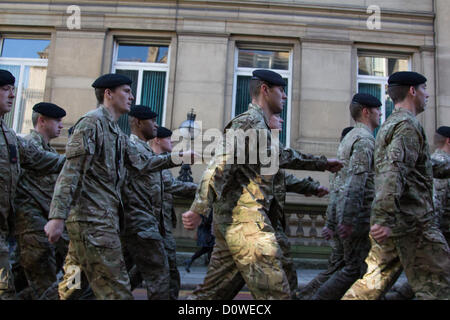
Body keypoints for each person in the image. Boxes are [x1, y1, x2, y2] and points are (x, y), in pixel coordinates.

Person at [182, 69, 343, 300]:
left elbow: (281, 159)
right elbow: (218, 166)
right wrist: (199, 208)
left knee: (210, 296)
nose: (285, 96)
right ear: (265, 90)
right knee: (276, 294)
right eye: (281, 90)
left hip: (238, 223)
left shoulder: (260, 126)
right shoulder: (247, 122)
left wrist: (322, 163)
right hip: (245, 224)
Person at [44, 73, 193, 300]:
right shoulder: (91, 123)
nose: (131, 97)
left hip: (97, 223)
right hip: (93, 223)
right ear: (108, 94)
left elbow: (143, 163)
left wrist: (178, 157)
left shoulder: (115, 132)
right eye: (126, 91)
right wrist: (56, 217)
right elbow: (71, 171)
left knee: (72, 282)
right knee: (117, 289)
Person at [342, 71, 450, 300]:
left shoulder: (392, 124)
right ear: (413, 91)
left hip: (398, 220)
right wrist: (383, 217)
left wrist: (385, 216)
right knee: (439, 285)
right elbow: (394, 171)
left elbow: (416, 165)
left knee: (371, 285)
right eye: (424, 89)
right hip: (414, 222)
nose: (427, 94)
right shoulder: (408, 125)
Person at [297, 93, 381, 300]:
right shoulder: (364, 140)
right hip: (358, 215)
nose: (381, 114)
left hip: (345, 212)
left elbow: (338, 186)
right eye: (378, 110)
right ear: (366, 112)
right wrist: (347, 219)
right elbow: (356, 182)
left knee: (345, 266)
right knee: (355, 269)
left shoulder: (349, 139)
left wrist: (334, 220)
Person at [0, 70, 66, 299]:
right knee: (40, 281)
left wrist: (78, 160)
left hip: (17, 225)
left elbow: (44, 161)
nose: (12, 95)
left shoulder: (9, 136)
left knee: (11, 284)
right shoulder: (24, 140)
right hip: (30, 224)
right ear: (42, 121)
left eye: (12, 89)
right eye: (5, 89)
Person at [121, 106, 185, 300]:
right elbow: (145, 165)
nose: (157, 125)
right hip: (138, 223)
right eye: (152, 121)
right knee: (159, 274)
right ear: (139, 123)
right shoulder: (130, 146)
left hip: (149, 224)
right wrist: (176, 158)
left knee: (125, 276)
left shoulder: (145, 150)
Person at [384, 125, 450, 300]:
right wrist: (434, 234)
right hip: (438, 231)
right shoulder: (441, 163)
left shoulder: (436, 161)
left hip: (434, 230)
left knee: (426, 275)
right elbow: (437, 201)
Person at [14, 102, 68, 300]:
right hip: (31, 225)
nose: (61, 125)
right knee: (45, 284)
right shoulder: (30, 146)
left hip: (45, 226)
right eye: (57, 121)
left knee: (28, 283)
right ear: (42, 121)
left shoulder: (50, 151)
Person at [296, 126, 354, 300]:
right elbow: (338, 195)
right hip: (344, 224)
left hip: (339, 223)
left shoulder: (341, 162)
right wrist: (333, 224)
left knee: (339, 267)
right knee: (344, 268)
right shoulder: (345, 164)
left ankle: (306, 295)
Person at [150, 126, 198, 299]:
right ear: (157, 140)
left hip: (162, 226)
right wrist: (200, 188)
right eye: (169, 139)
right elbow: (172, 186)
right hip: (152, 226)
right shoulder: (152, 161)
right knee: (163, 272)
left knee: (167, 272)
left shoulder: (162, 163)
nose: (172, 142)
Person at [184, 209, 215, 273]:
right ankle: (211, 268)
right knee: (209, 249)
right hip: (207, 232)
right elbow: (208, 220)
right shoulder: (209, 207)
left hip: (205, 231)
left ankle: (190, 260)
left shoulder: (203, 207)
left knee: (207, 249)